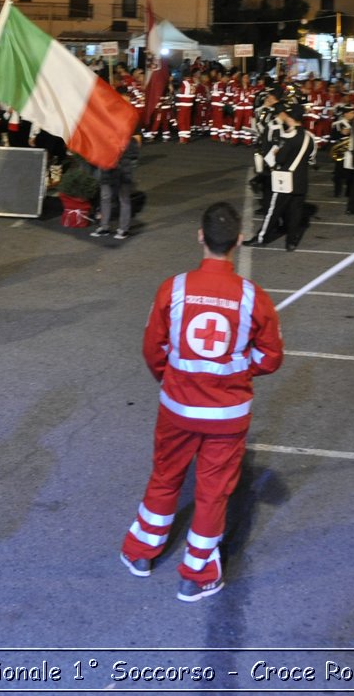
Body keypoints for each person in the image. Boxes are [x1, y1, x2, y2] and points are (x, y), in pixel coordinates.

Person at [119, 202, 284, 602]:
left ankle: (142, 551)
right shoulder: (252, 297)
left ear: (199, 236)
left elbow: (153, 348)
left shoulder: (172, 289)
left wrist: (172, 378)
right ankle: (197, 572)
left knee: (165, 475)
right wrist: (239, 368)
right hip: (227, 415)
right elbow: (271, 357)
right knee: (213, 491)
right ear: (239, 240)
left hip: (177, 407)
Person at [245, 104, 314, 250]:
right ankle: (291, 242)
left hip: (285, 179)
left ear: (292, 118)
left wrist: (275, 156)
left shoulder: (289, 136)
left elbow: (280, 158)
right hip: (301, 180)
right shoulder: (310, 137)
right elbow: (311, 158)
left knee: (273, 210)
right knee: (295, 213)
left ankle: (262, 237)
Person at [91, 133, 140, 240]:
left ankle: (123, 229)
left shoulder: (128, 135)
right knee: (106, 197)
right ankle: (104, 227)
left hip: (122, 170)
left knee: (123, 198)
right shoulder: (106, 132)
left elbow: (134, 153)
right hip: (108, 169)